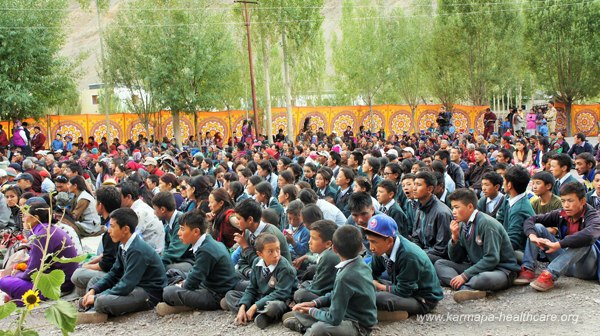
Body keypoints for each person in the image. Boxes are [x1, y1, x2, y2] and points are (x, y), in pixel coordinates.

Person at [284, 226, 377, 335]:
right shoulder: (360, 263)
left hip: (358, 325)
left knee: (318, 329)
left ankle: (306, 329)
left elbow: (334, 318)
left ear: (334, 249)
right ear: (361, 247)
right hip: (345, 313)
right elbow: (335, 294)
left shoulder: (345, 276)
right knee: (301, 312)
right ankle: (306, 322)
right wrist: (313, 303)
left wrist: (310, 310)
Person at [435, 189, 520, 302]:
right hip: (476, 266)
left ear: (470, 207)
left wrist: (465, 276)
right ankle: (465, 288)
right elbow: (457, 258)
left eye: (457, 207)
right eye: (452, 207)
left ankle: (464, 284)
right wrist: (454, 238)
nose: (453, 211)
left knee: (482, 279)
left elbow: (492, 259)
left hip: (500, 269)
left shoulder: (486, 223)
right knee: (440, 263)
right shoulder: (462, 225)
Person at [80, 208, 167, 317]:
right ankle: (92, 304)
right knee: (95, 282)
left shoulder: (137, 250)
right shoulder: (123, 246)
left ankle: (94, 305)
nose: (108, 230)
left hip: (147, 293)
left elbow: (127, 284)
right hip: (133, 287)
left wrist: (97, 297)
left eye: (112, 226)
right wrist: (94, 290)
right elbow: (114, 273)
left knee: (102, 302)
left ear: (125, 229)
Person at [515, 182, 600, 291]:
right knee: (538, 227)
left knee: (584, 240)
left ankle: (550, 274)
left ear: (582, 201)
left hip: (584, 268)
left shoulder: (593, 216)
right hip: (565, 263)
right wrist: (532, 236)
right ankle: (528, 268)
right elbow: (531, 219)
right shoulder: (561, 214)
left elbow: (589, 235)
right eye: (563, 201)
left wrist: (559, 244)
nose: (566, 205)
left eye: (570, 201)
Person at [156, 209, 239, 315]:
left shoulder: (206, 250)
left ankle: (217, 304)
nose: (178, 233)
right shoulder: (206, 241)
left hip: (216, 293)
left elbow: (191, 283)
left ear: (196, 232)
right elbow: (196, 274)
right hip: (206, 282)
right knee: (173, 273)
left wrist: (181, 285)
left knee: (168, 292)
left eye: (182, 229)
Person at [366, 214, 443, 319]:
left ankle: (398, 312)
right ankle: (389, 311)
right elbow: (371, 272)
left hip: (421, 298)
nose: (371, 247)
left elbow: (404, 291)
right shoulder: (381, 250)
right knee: (365, 284)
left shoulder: (409, 256)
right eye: (369, 241)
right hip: (401, 285)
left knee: (378, 297)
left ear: (389, 241)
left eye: (374, 242)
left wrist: (379, 286)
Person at [0, 202, 79, 304]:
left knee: (4, 281)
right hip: (62, 280)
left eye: (25, 216)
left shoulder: (41, 236)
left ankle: (19, 298)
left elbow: (32, 272)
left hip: (58, 286)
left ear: (35, 218)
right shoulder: (48, 229)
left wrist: (17, 274)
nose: (23, 219)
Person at [224, 233, 297, 330]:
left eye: (278, 249)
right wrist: (242, 306)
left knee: (273, 307)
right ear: (260, 254)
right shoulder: (256, 263)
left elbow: (282, 293)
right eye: (270, 251)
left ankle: (257, 313)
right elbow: (252, 288)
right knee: (230, 295)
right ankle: (254, 314)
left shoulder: (284, 267)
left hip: (280, 299)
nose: (276, 255)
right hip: (261, 297)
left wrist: (255, 306)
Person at [71, 187, 122, 296]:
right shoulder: (117, 220)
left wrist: (86, 267)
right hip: (117, 266)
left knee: (77, 274)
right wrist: (90, 263)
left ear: (100, 205)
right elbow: (109, 253)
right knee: (88, 261)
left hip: (118, 273)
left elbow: (107, 264)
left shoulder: (112, 230)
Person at [232, 199, 291, 281]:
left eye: (239, 219)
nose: (236, 222)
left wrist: (246, 248)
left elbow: (264, 265)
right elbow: (242, 262)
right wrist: (249, 272)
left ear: (250, 220)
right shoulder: (248, 231)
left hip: (275, 279)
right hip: (255, 275)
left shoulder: (270, 236)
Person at [292, 220, 340, 303]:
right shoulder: (327, 252)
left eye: (313, 238)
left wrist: (303, 287)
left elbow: (318, 288)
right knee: (311, 271)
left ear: (328, 244)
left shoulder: (328, 256)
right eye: (310, 237)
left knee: (299, 294)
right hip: (326, 287)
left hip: (333, 296)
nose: (309, 242)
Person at [410, 171, 452, 263]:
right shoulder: (419, 208)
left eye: (418, 185)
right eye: (414, 184)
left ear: (429, 189)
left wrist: (418, 253)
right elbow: (415, 237)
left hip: (438, 257)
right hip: (423, 252)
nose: (414, 188)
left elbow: (442, 248)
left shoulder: (442, 212)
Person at [495, 166, 535, 258]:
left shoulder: (520, 209)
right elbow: (499, 220)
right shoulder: (508, 198)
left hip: (520, 251)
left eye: (504, 181)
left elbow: (513, 242)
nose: (503, 184)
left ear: (509, 185)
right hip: (504, 241)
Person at [152, 192, 194, 272]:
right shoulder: (168, 223)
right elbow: (167, 248)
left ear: (163, 210)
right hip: (178, 259)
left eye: (155, 209)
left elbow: (174, 251)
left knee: (164, 269)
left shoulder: (181, 221)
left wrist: (156, 264)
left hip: (189, 262)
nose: (154, 213)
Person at [120, 182, 165, 253]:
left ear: (128, 197)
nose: (117, 199)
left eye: (119, 196)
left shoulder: (138, 212)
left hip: (153, 254)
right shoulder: (139, 206)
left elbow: (131, 239)